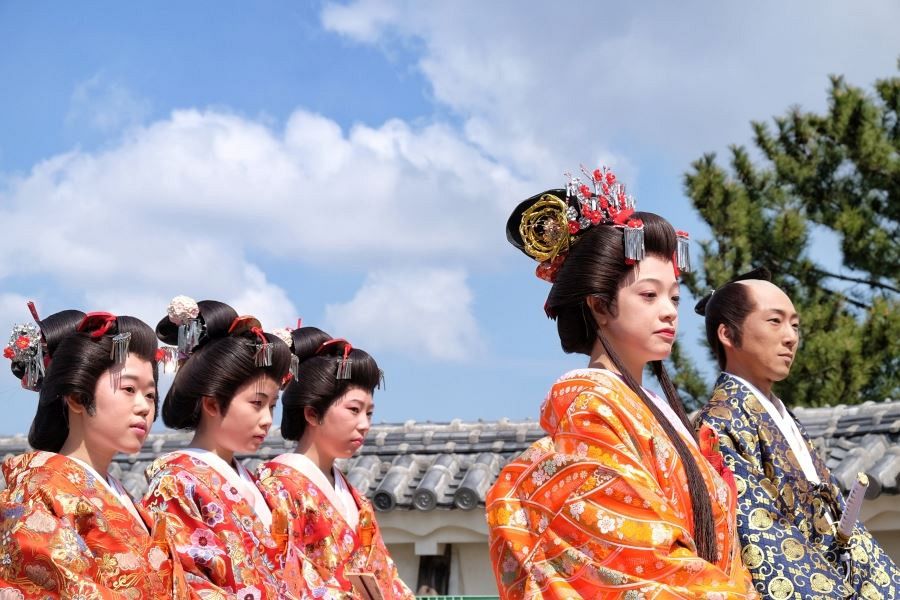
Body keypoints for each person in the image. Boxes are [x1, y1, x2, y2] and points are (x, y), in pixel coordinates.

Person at [486, 167, 755, 599]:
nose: (669, 311)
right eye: (649, 295)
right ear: (599, 306)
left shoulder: (657, 408)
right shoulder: (588, 403)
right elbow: (633, 552)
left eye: (674, 297)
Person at [694, 268, 900, 599]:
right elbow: (761, 535)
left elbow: (840, 525)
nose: (791, 336)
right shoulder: (719, 425)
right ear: (728, 334)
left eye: (795, 324)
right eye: (775, 321)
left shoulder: (785, 419)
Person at [0, 305, 182, 598]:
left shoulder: (128, 501)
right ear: (77, 398)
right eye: (128, 389)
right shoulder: (39, 491)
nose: (144, 406)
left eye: (150, 394)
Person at [140, 296, 302, 599]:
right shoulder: (176, 482)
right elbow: (184, 584)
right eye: (256, 403)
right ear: (212, 403)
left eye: (271, 405)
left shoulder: (257, 487)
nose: (267, 420)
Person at [256, 326, 413, 600]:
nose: (364, 424)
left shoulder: (358, 501)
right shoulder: (278, 485)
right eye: (353, 410)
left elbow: (387, 578)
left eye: (369, 413)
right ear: (313, 413)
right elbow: (280, 575)